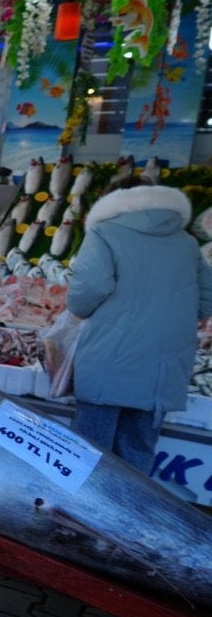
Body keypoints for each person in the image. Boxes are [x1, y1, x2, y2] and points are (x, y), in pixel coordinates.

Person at [66, 176, 212, 474]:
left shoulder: (104, 233)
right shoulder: (187, 243)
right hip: (164, 369)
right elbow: (207, 300)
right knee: (137, 457)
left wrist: (81, 310)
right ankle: (128, 506)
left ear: (112, 201)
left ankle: (87, 507)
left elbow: (89, 288)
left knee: (89, 456)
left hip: (109, 359)